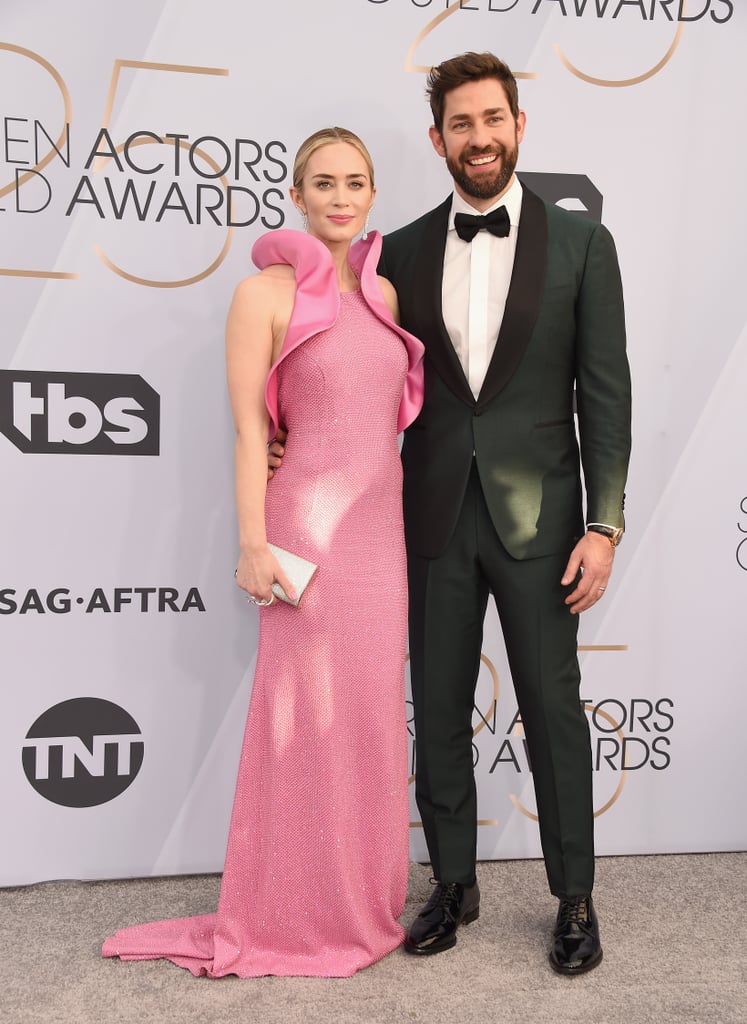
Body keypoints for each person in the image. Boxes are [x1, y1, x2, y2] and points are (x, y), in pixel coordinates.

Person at [271, 52, 631, 975]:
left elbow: (605, 393)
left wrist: (606, 522)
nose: (479, 138)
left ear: (518, 126)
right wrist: (283, 435)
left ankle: (574, 897)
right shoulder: (399, 251)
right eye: (460, 124)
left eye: (492, 119)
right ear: (437, 139)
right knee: (435, 707)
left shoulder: (583, 245)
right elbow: (335, 352)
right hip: (424, 514)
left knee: (551, 708)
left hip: (544, 520)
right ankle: (454, 884)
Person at [102, 127, 424, 978]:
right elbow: (251, 429)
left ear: (371, 194)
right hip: (303, 532)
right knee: (300, 724)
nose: (341, 198)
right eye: (324, 183)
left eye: (356, 182)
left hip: (377, 533)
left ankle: (358, 904)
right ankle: (289, 912)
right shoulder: (263, 293)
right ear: (296, 193)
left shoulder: (385, 294)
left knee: (363, 718)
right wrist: (252, 543)